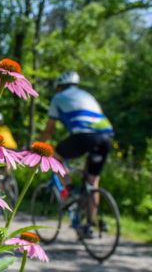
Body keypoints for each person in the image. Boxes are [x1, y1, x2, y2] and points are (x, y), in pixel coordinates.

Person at [40, 71, 114, 236]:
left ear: (59, 86)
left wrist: (39, 144)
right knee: (93, 182)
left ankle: (70, 190)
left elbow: (49, 129)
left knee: (55, 157)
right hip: (106, 136)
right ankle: (89, 225)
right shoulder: (88, 96)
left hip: (84, 135)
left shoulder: (58, 98)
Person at [0, 112, 18, 192]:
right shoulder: (6, 128)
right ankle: (9, 178)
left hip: (3, 148)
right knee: (6, 164)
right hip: (13, 148)